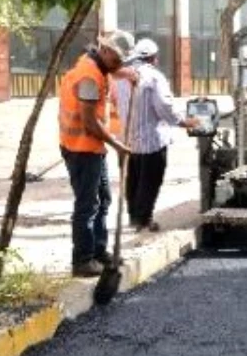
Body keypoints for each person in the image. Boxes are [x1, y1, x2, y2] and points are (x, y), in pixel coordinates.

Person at [58, 30, 137, 277]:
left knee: (103, 200)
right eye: (117, 61)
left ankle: (99, 250)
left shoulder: (98, 65)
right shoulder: (89, 76)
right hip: (80, 148)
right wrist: (118, 146)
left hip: (92, 147)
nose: (118, 66)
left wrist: (126, 73)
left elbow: (111, 69)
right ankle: (82, 260)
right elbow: (90, 122)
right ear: (105, 51)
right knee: (87, 205)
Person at [116, 38, 199, 232]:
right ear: (154, 58)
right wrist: (183, 122)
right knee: (150, 180)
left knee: (133, 180)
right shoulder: (154, 77)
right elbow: (165, 107)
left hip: (130, 140)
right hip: (152, 141)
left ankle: (135, 217)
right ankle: (144, 219)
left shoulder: (121, 77)